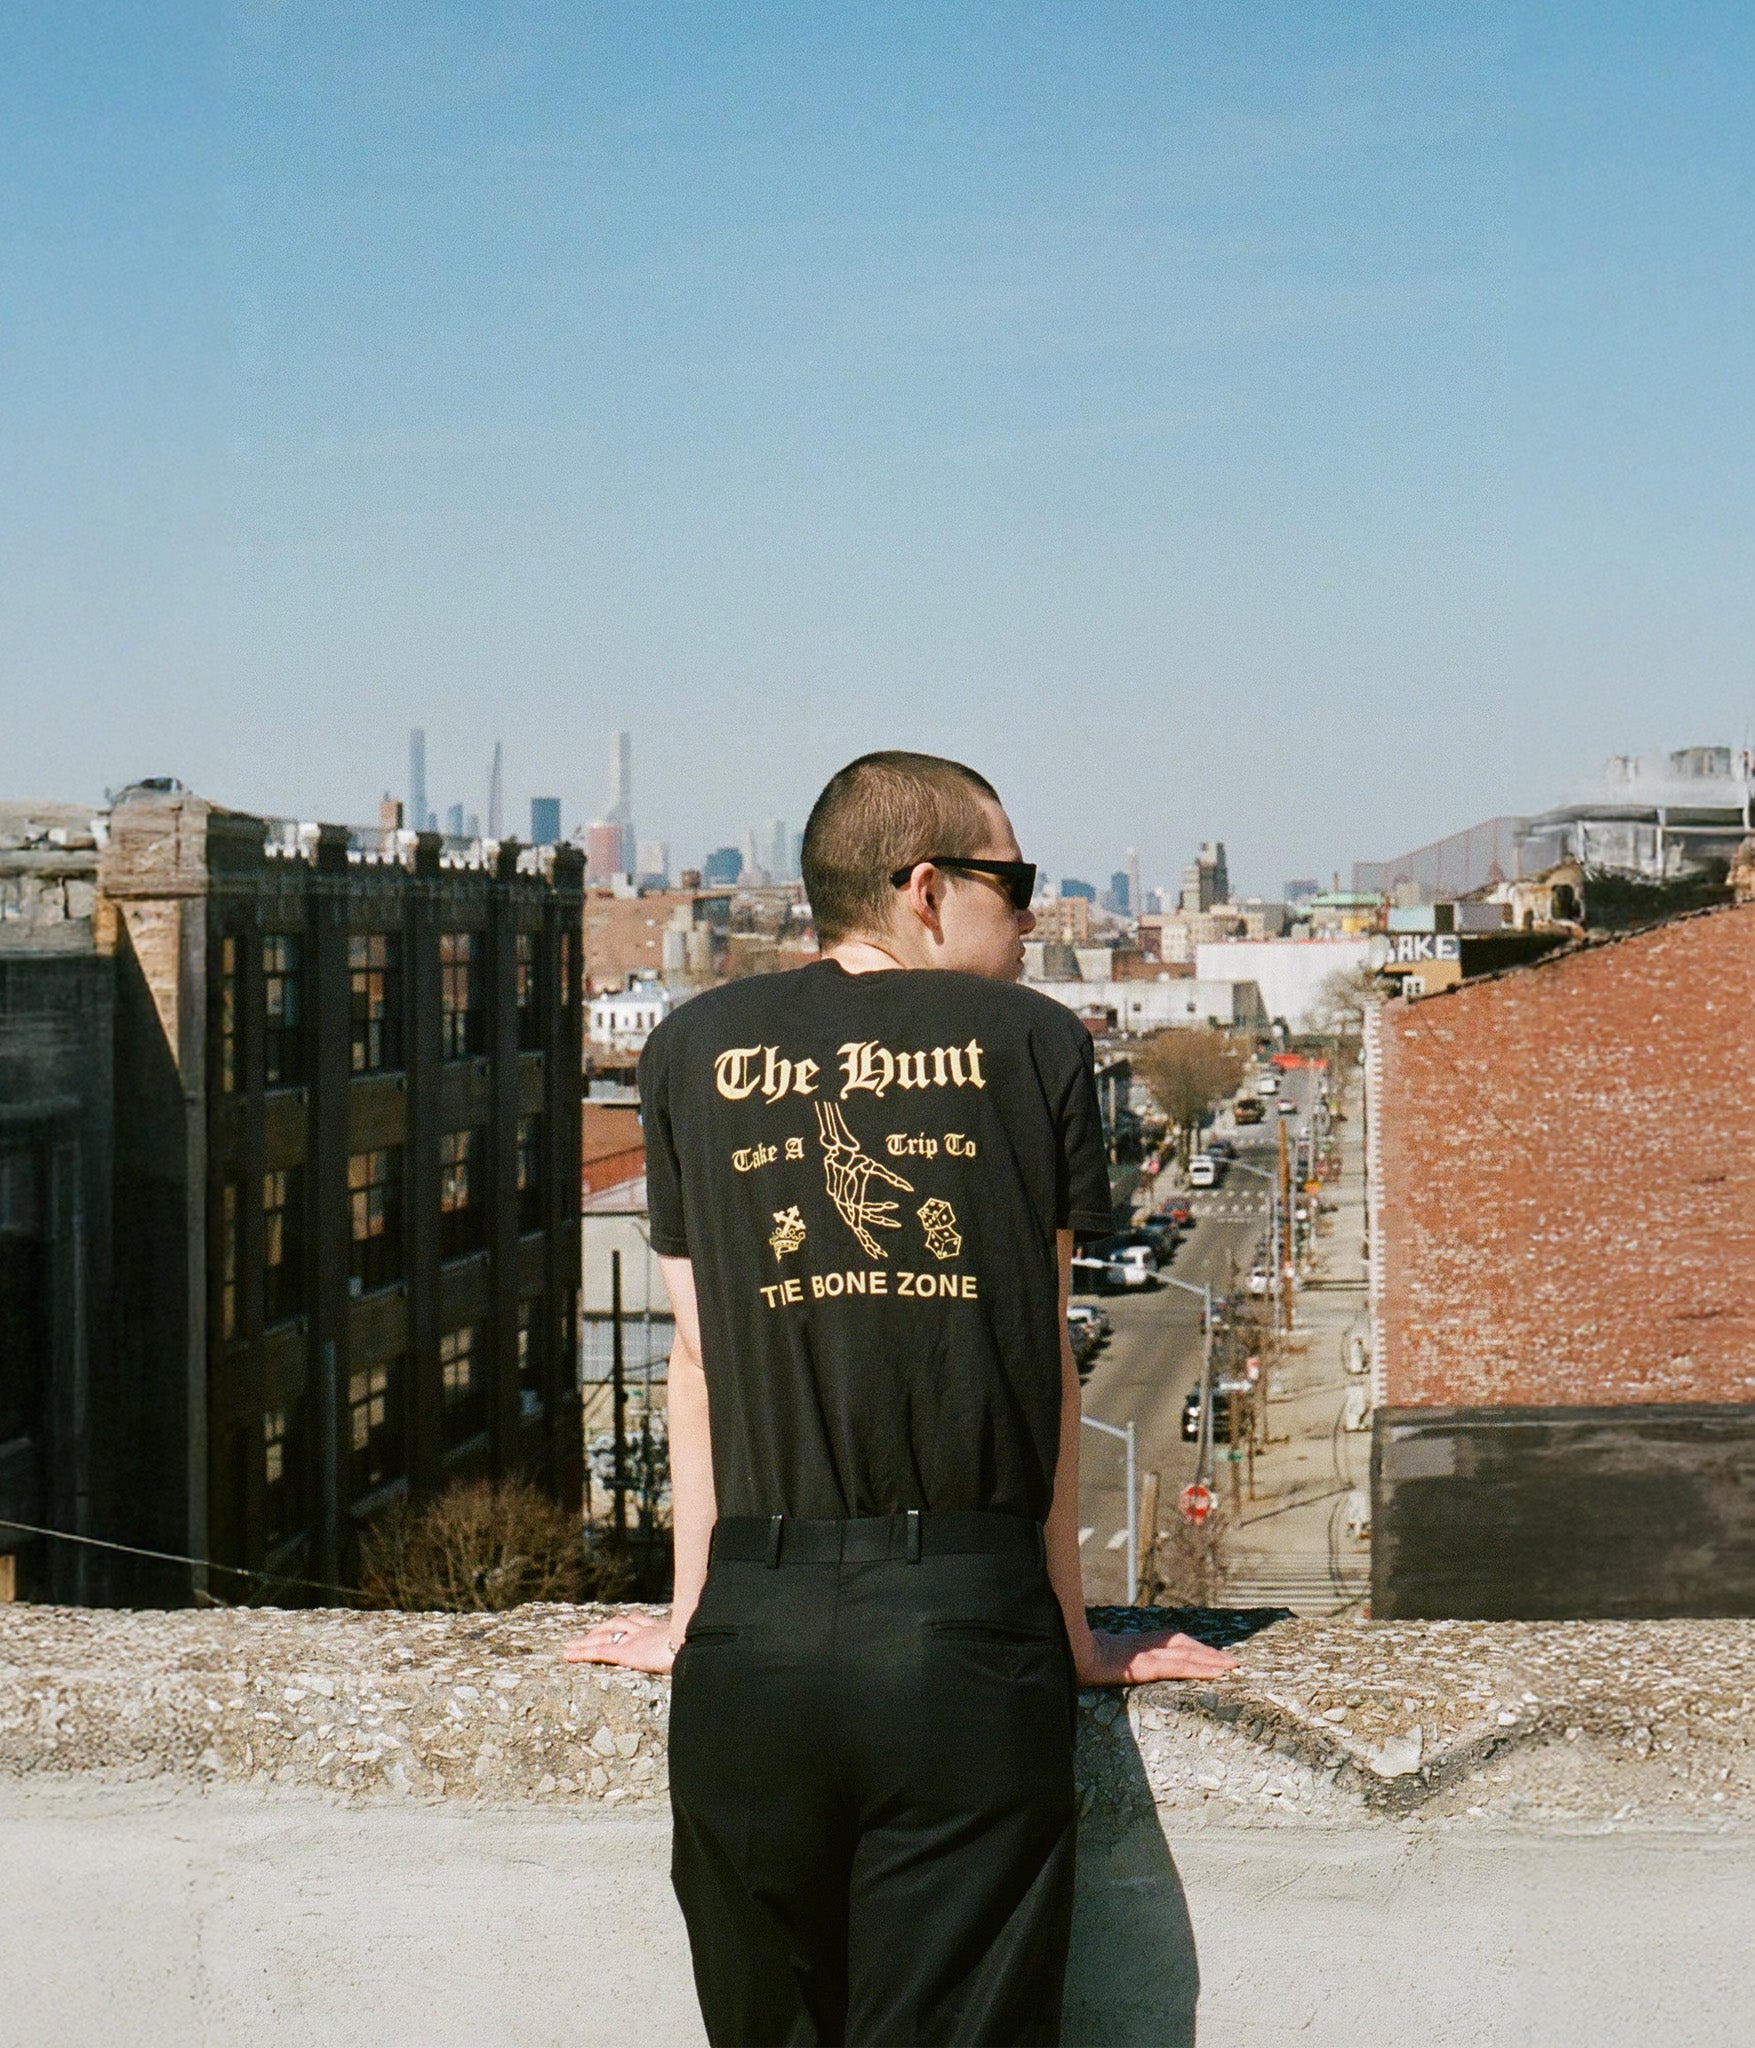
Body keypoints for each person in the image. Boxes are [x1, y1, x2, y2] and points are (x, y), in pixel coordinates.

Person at [567, 751, 1237, 2046]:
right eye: (1014, 884)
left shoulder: (693, 1045)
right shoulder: (1036, 1044)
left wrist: (693, 1617)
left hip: (752, 1644)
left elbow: (695, 1362)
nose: (1031, 917)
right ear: (925, 889)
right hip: (963, 1639)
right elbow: (1039, 1362)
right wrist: (1073, 1633)